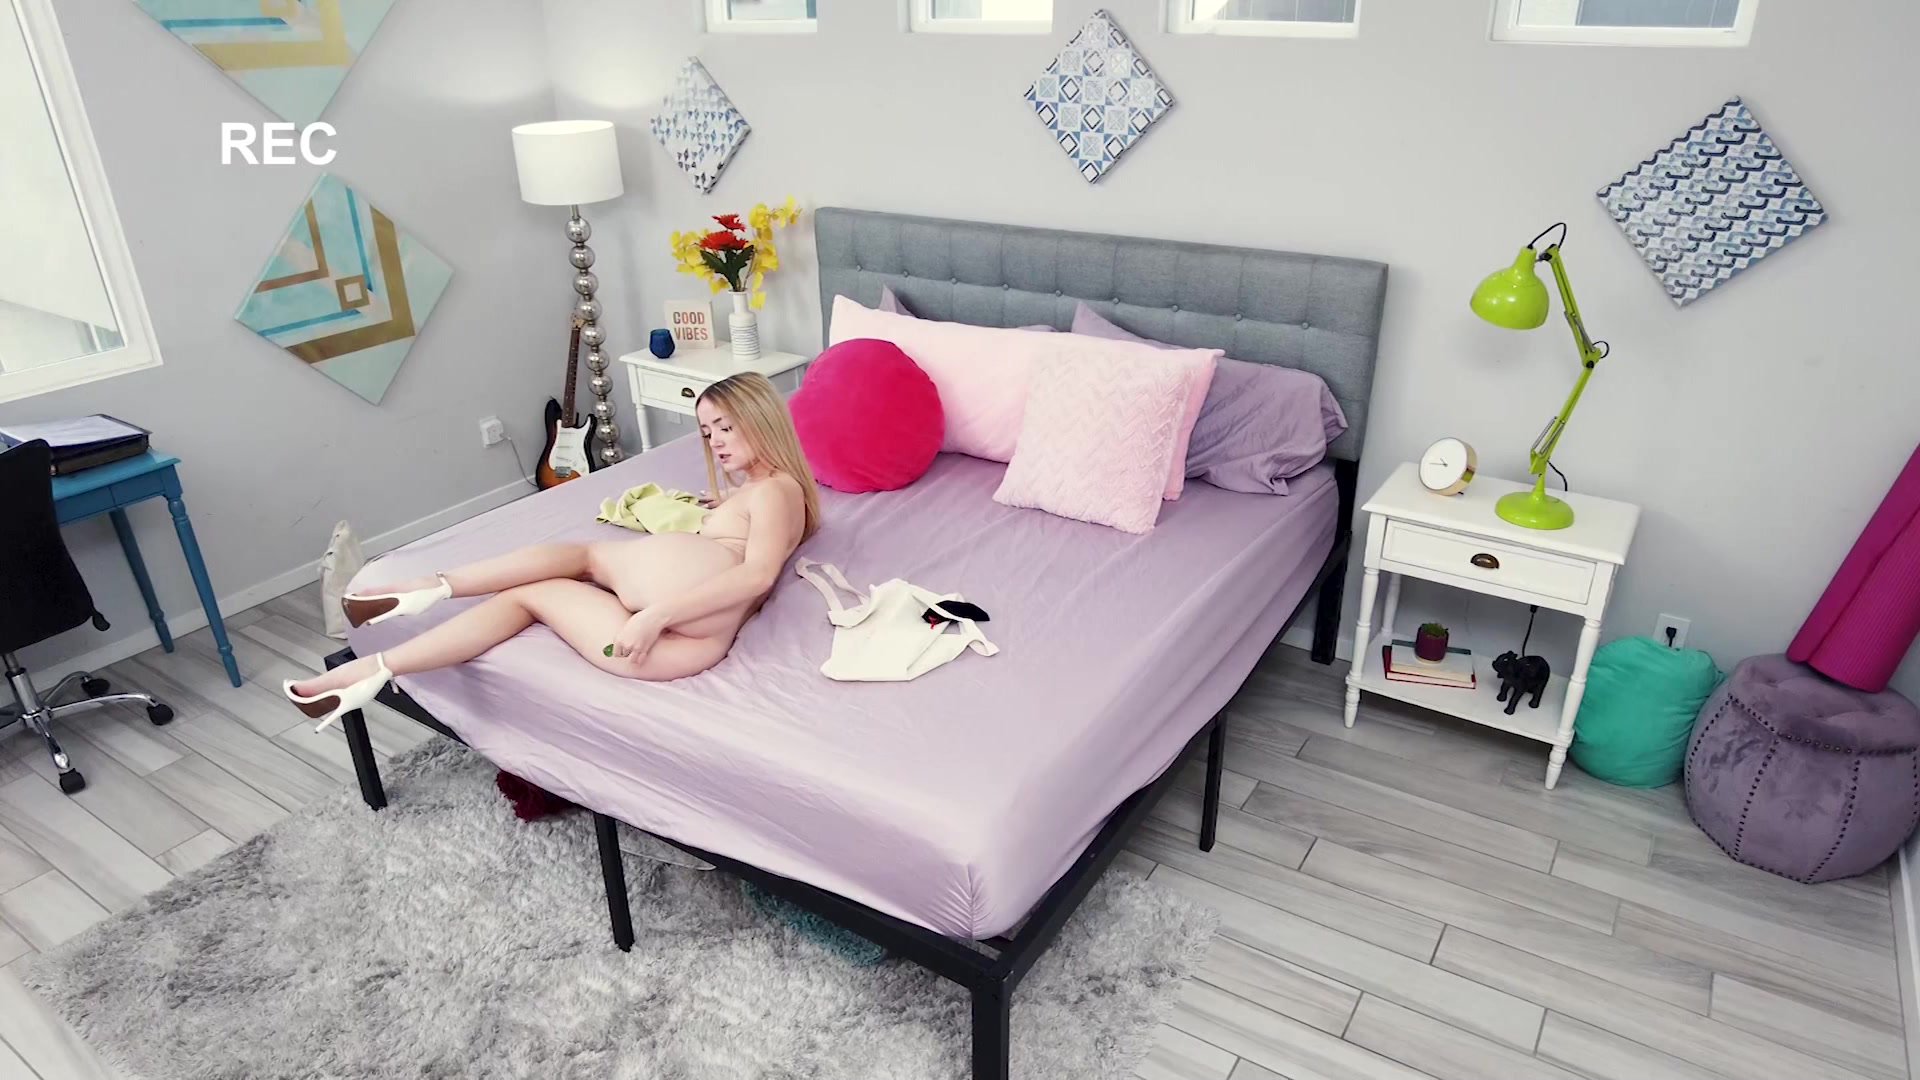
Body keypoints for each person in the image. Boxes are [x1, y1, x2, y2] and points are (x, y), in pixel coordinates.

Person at [283, 372, 820, 731]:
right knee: (542, 587)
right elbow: (755, 538)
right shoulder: (763, 491)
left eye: (725, 427)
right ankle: (375, 667)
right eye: (706, 432)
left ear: (763, 420)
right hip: (683, 636)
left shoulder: (778, 490)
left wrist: (654, 616)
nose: (715, 441)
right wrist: (726, 505)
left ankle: (420, 601)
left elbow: (757, 575)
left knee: (579, 559)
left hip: (676, 633)